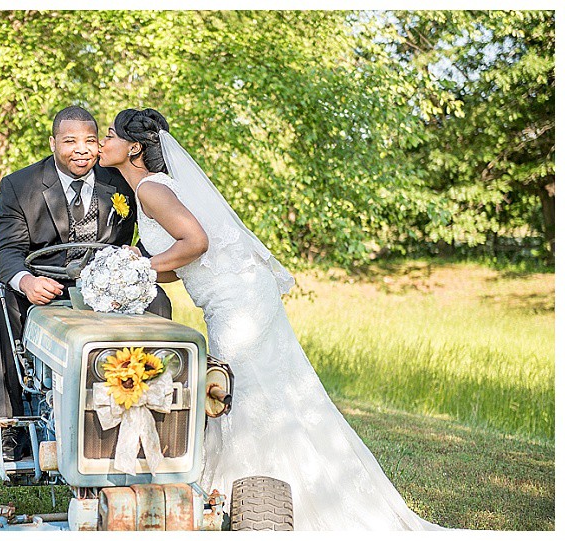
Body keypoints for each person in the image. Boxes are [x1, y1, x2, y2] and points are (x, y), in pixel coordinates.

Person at [97, 108, 445, 530]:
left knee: (241, 396)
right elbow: (181, 261)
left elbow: (197, 242)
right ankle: (248, 499)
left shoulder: (153, 189)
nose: (101, 142)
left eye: (109, 135)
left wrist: (144, 266)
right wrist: (135, 269)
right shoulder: (147, 189)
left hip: (239, 300)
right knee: (252, 393)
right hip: (231, 295)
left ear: (134, 147)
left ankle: (259, 502)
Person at [0, 106, 171, 461]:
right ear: (53, 143)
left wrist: (131, 263)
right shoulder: (20, 185)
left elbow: (152, 236)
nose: (81, 149)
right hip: (44, 286)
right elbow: (7, 250)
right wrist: (27, 281)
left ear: (99, 144)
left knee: (157, 299)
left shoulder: (120, 181)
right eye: (70, 141)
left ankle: (154, 412)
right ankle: (10, 424)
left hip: (106, 288)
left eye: (90, 140)